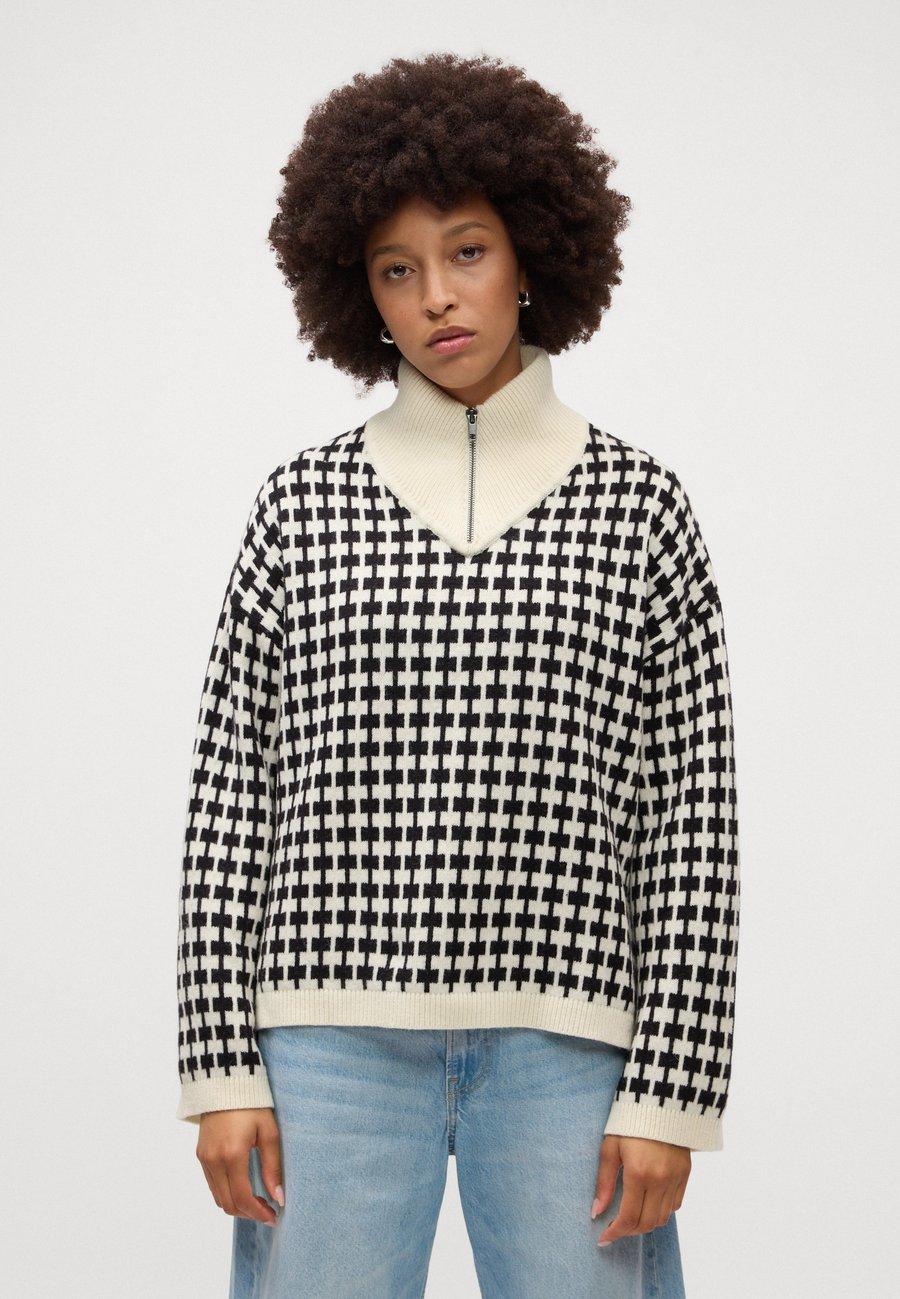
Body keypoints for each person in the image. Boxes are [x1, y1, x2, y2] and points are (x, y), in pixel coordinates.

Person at [175, 52, 740, 1298]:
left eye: (467, 251)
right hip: (325, 1046)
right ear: (357, 293)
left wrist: (673, 1090)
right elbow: (230, 799)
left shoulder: (640, 508)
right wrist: (219, 1066)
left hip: (568, 1046)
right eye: (396, 268)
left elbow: (691, 822)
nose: (436, 295)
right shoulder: (301, 507)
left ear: (531, 253)